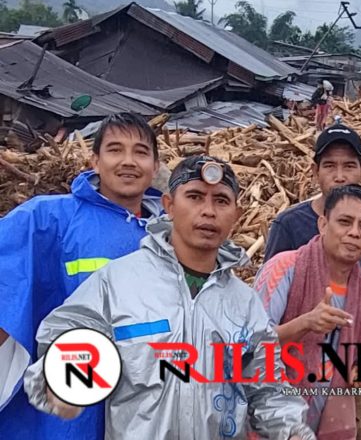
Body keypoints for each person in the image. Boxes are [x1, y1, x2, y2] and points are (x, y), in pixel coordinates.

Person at [23, 156, 314, 439]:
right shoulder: (119, 281)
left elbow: (268, 390)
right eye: (195, 197)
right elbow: (67, 335)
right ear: (169, 206)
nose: (208, 211)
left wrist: (292, 431)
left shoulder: (244, 303)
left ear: (236, 216)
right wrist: (61, 379)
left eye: (221, 201)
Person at [0, 112, 164, 440]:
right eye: (115, 150)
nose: (128, 161)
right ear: (95, 160)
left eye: (141, 152)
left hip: (144, 404)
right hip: (66, 404)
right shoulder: (47, 218)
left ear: (156, 167)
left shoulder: (170, 236)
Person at [254, 184, 361, 438]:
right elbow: (249, 346)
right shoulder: (284, 268)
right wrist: (305, 323)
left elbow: (360, 356)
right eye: (345, 222)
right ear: (323, 224)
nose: (354, 233)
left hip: (327, 418)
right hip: (274, 417)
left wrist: (359, 372)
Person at [263, 122, 361, 301]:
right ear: (315, 172)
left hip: (351, 324)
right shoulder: (289, 224)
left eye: (349, 166)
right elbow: (269, 290)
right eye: (329, 165)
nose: (339, 177)